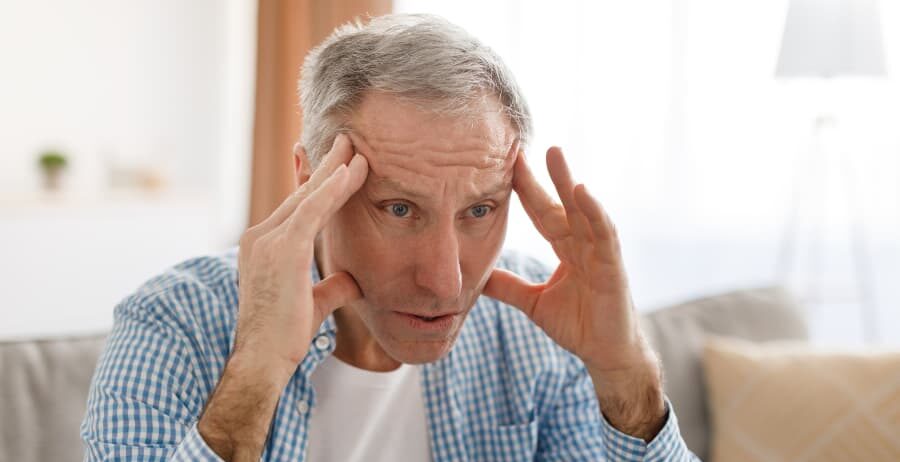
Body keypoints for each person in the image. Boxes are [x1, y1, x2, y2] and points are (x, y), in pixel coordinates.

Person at [82, 13, 699, 461]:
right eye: (401, 208)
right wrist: (258, 370)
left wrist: (627, 379)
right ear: (309, 182)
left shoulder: (536, 329)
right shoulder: (175, 324)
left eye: (480, 210)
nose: (447, 281)